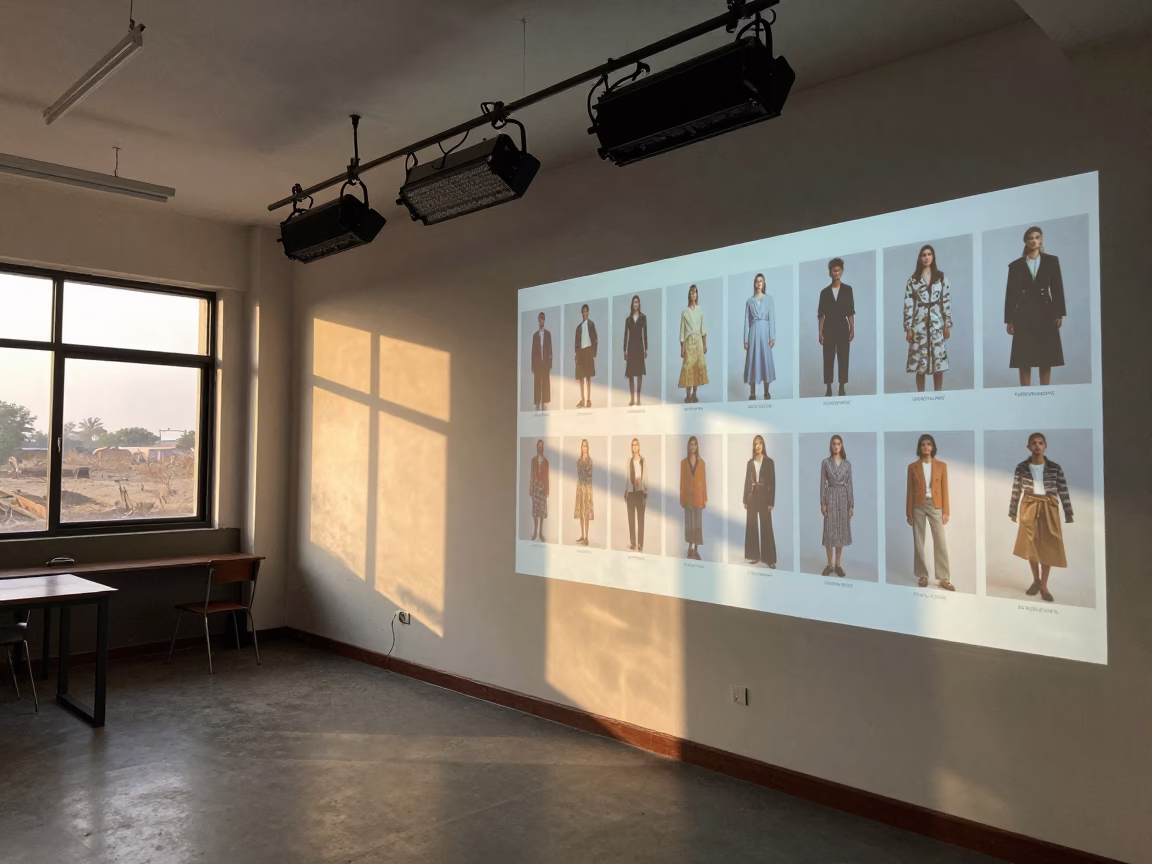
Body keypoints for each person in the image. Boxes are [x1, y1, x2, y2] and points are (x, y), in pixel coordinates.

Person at [1009, 432, 1073, 603]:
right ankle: (1036, 580)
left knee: (1048, 545)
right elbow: (1016, 489)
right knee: (1031, 543)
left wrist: (1068, 512)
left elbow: (1063, 489)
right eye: (1034, 443)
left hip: (1049, 506)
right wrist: (1013, 511)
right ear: (1028, 446)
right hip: (1029, 505)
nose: (1037, 446)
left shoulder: (1055, 467)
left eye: (1040, 443)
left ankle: (1044, 585)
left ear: (1045, 446)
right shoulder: (1021, 467)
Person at [1004, 226, 1066, 387]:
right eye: (1030, 238)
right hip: (1023, 313)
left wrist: (1058, 314)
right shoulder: (1016, 265)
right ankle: (1025, 392)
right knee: (1024, 358)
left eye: (1037, 237)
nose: (1034, 241)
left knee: (1045, 357)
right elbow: (1011, 294)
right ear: (1025, 241)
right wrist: (1009, 320)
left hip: (1046, 312)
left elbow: (1057, 288)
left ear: (1041, 239)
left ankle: (1044, 391)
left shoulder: (1051, 261)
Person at [906, 434, 953, 590]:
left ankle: (944, 578)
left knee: (940, 541)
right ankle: (922, 575)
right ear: (920, 448)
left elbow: (945, 489)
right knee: (919, 541)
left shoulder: (941, 466)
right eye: (923, 444)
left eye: (928, 444)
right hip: (918, 505)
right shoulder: (912, 467)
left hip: (935, 505)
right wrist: (909, 513)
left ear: (933, 447)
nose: (926, 447)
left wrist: (946, 511)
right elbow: (910, 491)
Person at [903, 245, 953, 392]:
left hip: (937, 324)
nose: (926, 257)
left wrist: (947, 324)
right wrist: (908, 328)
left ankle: (938, 396)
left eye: (929, 254)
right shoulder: (913, 280)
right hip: (919, 325)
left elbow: (946, 301)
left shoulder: (941, 278)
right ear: (920, 258)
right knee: (920, 364)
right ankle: (921, 396)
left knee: (938, 364)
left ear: (933, 257)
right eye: (923, 255)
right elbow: (908, 304)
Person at [817, 258, 855, 397]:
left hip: (842, 327)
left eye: (839, 270)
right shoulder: (824, 293)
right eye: (834, 270)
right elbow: (821, 315)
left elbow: (850, 312)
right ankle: (828, 387)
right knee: (828, 357)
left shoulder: (847, 290)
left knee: (843, 357)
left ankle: (842, 386)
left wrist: (852, 328)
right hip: (828, 327)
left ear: (842, 271)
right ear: (830, 272)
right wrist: (820, 332)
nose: (836, 273)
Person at [819, 434, 853, 577]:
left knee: (841, 531)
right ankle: (829, 565)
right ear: (831, 445)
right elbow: (822, 483)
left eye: (838, 443)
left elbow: (849, 485)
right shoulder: (826, 463)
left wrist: (851, 505)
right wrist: (823, 503)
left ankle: (838, 564)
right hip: (831, 496)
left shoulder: (847, 464)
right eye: (834, 443)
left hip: (843, 499)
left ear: (842, 445)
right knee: (829, 532)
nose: (836, 446)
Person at [743, 435, 777, 567]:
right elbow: (747, 481)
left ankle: (769, 559)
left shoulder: (769, 462)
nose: (758, 446)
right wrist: (745, 499)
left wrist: (771, 502)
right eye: (756, 444)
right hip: (752, 496)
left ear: (763, 445)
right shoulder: (750, 463)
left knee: (766, 526)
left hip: (764, 497)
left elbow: (772, 483)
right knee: (751, 526)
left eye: (760, 443)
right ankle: (753, 556)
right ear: (754, 446)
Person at [743, 274, 777, 400]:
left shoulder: (769, 299)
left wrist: (772, 337)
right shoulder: (749, 301)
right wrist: (745, 340)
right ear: (754, 284)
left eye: (761, 281)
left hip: (764, 332)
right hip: (753, 333)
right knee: (752, 360)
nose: (758, 283)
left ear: (763, 284)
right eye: (757, 281)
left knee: (765, 360)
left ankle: (766, 392)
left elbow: (772, 318)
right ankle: (752, 392)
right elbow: (746, 321)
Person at [677, 284, 708, 403]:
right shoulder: (684, 312)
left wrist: (704, 344)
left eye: (694, 292)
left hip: (698, 341)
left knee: (697, 367)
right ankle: (688, 395)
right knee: (688, 367)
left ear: (697, 294)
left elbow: (703, 328)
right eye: (691, 293)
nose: (693, 294)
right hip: (689, 341)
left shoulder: (700, 310)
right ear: (689, 295)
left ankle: (694, 394)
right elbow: (682, 331)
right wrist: (682, 347)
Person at [679, 436, 708, 560]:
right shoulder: (683, 463)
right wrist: (681, 497)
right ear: (688, 446)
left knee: (697, 524)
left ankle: (696, 549)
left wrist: (705, 498)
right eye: (691, 444)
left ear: (697, 446)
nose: (693, 447)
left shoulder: (701, 463)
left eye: (695, 444)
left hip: (698, 497)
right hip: (687, 497)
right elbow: (682, 481)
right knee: (689, 523)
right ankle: (689, 547)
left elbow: (704, 481)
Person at [622, 295, 648, 406]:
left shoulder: (643, 317)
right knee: (631, 374)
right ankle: (632, 399)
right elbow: (625, 335)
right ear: (632, 304)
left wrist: (646, 348)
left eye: (637, 302)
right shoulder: (628, 320)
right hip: (631, 347)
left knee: (639, 373)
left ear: (639, 303)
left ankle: (638, 399)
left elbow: (645, 334)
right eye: (634, 302)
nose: (635, 304)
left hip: (639, 346)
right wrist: (625, 350)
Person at [623, 438, 648, 552]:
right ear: (631, 447)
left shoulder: (643, 461)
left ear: (639, 447)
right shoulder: (629, 461)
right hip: (631, 493)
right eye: (633, 445)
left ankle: (640, 545)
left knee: (641, 519)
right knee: (631, 519)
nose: (634, 447)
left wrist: (645, 493)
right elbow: (627, 478)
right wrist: (627, 492)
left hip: (640, 493)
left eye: (636, 445)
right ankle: (633, 543)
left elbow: (645, 477)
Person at [574, 304, 598, 408]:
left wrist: (594, 353)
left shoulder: (591, 324)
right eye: (583, 311)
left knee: (588, 376)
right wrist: (576, 356)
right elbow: (576, 343)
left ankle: (588, 400)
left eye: (586, 311)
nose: (585, 313)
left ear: (588, 312)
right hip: (581, 353)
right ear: (581, 313)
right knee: (581, 377)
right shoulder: (578, 328)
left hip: (588, 351)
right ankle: (582, 399)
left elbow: (595, 339)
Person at [530, 312, 552, 411]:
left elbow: (550, 349)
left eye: (543, 319)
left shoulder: (548, 334)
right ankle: (537, 402)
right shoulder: (535, 335)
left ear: (544, 320)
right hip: (537, 363)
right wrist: (532, 365)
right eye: (540, 319)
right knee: (537, 383)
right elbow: (533, 351)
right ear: (538, 321)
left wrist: (550, 363)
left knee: (545, 383)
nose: (541, 321)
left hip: (545, 363)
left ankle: (544, 401)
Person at [574, 439, 594, 546]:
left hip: (587, 487)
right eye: (583, 446)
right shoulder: (578, 461)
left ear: (587, 448)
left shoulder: (590, 461)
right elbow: (579, 475)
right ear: (581, 447)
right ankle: (582, 535)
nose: (584, 448)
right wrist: (581, 485)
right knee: (581, 511)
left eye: (585, 446)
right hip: (580, 487)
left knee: (586, 512)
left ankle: (586, 537)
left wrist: (587, 486)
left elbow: (590, 476)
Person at [529, 439, 549, 542]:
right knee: (535, 511)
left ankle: (540, 533)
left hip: (543, 488)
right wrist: (531, 487)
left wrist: (547, 490)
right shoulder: (533, 460)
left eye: (541, 446)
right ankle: (535, 532)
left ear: (543, 448)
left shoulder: (546, 461)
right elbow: (531, 475)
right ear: (537, 447)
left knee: (541, 511)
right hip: (536, 487)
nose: (540, 448)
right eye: (539, 446)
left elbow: (547, 476)